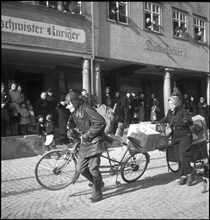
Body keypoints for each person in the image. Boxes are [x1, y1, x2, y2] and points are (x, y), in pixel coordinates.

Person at [65, 90, 106, 202]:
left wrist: (87, 135)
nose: (67, 107)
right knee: (81, 169)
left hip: (95, 142)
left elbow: (100, 122)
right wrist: (70, 130)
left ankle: (98, 192)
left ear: (74, 102)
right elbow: (76, 125)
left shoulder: (86, 109)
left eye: (68, 104)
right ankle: (98, 183)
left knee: (93, 168)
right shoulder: (74, 112)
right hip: (85, 144)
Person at [157, 95, 195, 186]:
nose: (170, 106)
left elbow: (190, 121)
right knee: (178, 157)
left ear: (177, 103)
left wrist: (186, 120)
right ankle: (183, 176)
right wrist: (158, 121)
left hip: (185, 136)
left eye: (172, 104)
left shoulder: (183, 111)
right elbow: (166, 119)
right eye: (169, 104)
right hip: (175, 136)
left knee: (183, 155)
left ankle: (190, 174)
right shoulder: (170, 112)